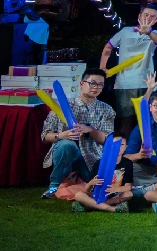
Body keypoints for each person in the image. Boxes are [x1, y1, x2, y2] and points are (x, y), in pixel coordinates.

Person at [40, 68, 115, 198]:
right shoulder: (63, 106)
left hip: (92, 156)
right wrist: (62, 135)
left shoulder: (107, 110)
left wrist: (91, 130)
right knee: (65, 145)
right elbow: (45, 136)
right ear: (81, 84)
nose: (96, 87)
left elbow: (107, 139)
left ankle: (77, 184)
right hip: (67, 153)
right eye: (92, 83)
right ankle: (54, 186)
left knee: (94, 188)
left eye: (100, 84)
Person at [101, 5, 157, 134]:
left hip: (146, 83)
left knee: (147, 121)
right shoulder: (125, 31)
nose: (148, 18)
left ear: (156, 20)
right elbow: (108, 47)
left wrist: (148, 32)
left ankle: (146, 146)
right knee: (126, 122)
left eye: (152, 16)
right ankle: (125, 146)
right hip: (125, 83)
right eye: (146, 15)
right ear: (139, 16)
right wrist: (102, 68)